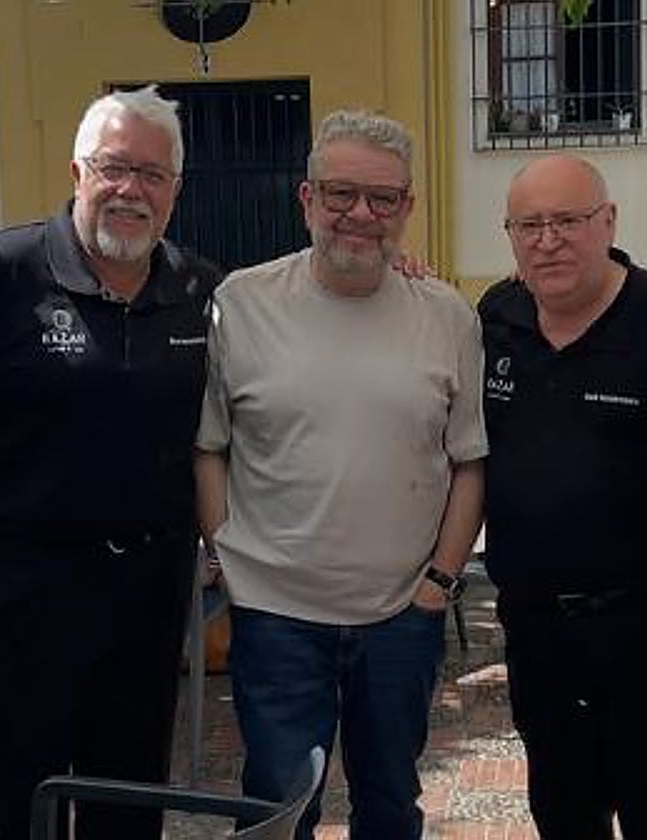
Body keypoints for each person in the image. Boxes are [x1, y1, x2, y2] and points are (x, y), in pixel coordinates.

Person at [0, 85, 221, 840]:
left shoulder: (198, 288)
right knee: (20, 804)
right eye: (114, 168)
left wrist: (401, 275)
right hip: (18, 594)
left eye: (152, 175)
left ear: (175, 190)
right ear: (77, 172)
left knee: (128, 804)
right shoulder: (0, 272)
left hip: (149, 596)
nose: (130, 190)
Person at [193, 110, 486, 840]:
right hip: (275, 614)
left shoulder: (447, 315)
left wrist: (441, 583)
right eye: (340, 194)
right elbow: (210, 446)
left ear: (407, 208)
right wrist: (228, 558)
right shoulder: (240, 305)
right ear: (306, 199)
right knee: (278, 808)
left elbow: (468, 461)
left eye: (382, 198)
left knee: (390, 803)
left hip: (400, 616)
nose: (360, 214)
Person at [478, 154, 647, 839]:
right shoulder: (497, 316)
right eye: (530, 226)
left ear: (608, 222)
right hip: (537, 631)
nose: (548, 241)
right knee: (562, 810)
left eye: (568, 221)